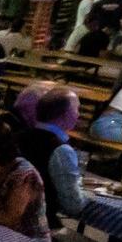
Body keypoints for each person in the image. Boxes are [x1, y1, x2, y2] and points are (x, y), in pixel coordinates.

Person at [18, 88, 85, 225]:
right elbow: (73, 205)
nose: (79, 115)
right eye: (77, 109)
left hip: (8, 217)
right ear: (67, 114)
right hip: (37, 225)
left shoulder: (17, 137)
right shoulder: (61, 150)